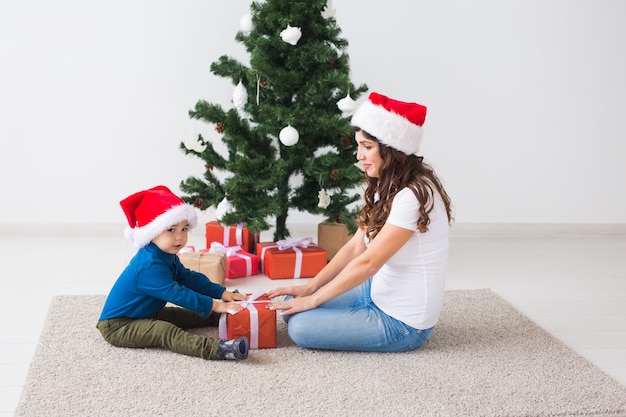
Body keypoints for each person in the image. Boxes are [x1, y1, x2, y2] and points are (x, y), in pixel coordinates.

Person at [267, 92, 453, 352]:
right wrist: (310, 287)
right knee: (292, 301)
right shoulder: (386, 186)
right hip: (377, 292)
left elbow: (368, 263)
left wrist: (314, 299)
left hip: (403, 323)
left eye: (367, 147)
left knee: (300, 326)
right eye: (359, 146)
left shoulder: (412, 195)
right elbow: (356, 247)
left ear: (392, 150)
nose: (359, 156)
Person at [97, 185, 250, 360]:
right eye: (171, 230)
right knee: (164, 330)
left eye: (184, 229)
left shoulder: (165, 255)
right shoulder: (148, 267)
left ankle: (221, 317)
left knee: (180, 315)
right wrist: (215, 304)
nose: (180, 237)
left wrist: (221, 292)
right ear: (152, 233)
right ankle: (219, 349)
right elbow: (179, 294)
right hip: (118, 326)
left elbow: (188, 278)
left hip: (145, 313)